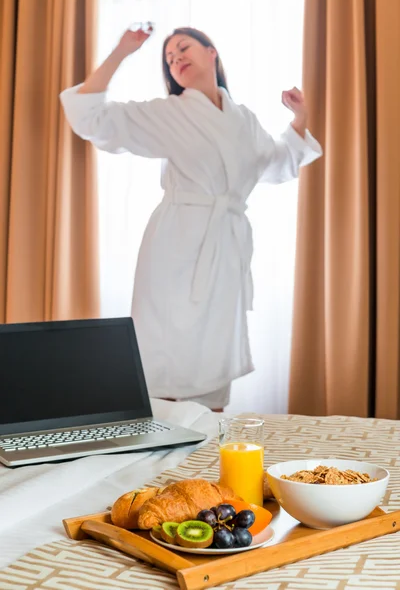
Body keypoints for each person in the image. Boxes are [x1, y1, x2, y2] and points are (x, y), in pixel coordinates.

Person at [60, 26, 322, 413]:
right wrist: (120, 53)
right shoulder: (170, 113)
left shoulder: (244, 120)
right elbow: (92, 117)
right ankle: (156, 450)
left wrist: (299, 117)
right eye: (168, 58)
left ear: (212, 52)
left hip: (225, 250)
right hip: (176, 245)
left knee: (214, 353)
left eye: (183, 48)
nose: (175, 59)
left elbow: (279, 161)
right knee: (166, 350)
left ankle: (206, 451)